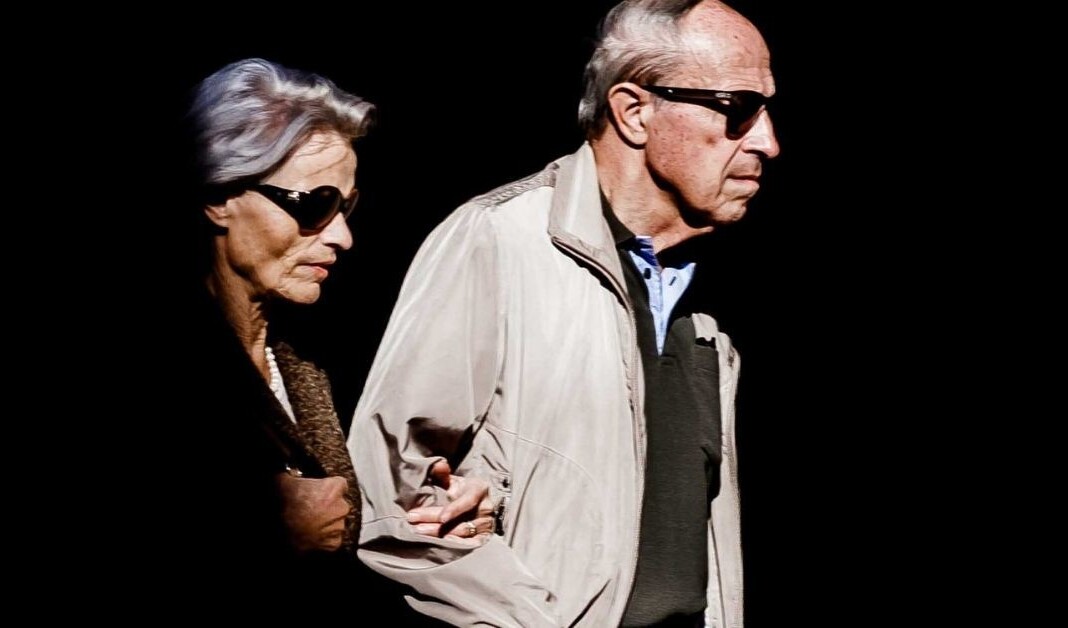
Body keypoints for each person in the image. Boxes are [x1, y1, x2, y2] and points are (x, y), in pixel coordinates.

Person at [346, 1, 779, 626]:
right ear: (634, 112)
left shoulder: (712, 288)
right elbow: (391, 499)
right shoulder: (500, 240)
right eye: (737, 109)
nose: (767, 141)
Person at [161, 57, 492, 617]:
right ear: (219, 196)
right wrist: (265, 537)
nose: (342, 236)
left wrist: (440, 513)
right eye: (314, 205)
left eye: (346, 206)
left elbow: (364, 518)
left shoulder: (328, 350)